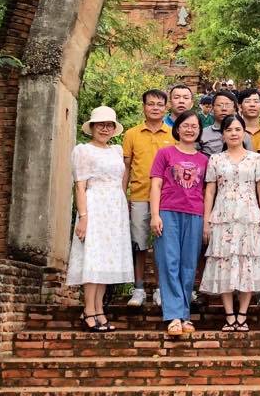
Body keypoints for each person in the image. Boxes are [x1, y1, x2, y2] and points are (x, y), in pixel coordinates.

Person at [67, 106, 134, 331]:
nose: (105, 129)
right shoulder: (83, 150)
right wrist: (83, 217)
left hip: (115, 208)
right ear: (92, 127)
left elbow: (122, 182)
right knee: (93, 258)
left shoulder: (116, 150)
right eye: (100, 124)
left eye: (109, 125)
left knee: (106, 260)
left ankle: (99, 309)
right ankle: (89, 310)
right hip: (94, 205)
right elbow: (80, 186)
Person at [201, 114, 260, 331]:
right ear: (223, 134)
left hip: (249, 217)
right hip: (222, 217)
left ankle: (243, 315)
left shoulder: (256, 159)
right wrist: (206, 220)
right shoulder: (215, 159)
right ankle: (229, 315)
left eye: (237, 129)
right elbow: (210, 190)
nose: (233, 133)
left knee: (248, 263)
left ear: (244, 133)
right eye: (229, 130)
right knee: (224, 263)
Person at [149, 109, 208, 337]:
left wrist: (207, 221)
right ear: (177, 128)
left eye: (194, 126)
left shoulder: (204, 160)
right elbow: (156, 185)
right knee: (169, 262)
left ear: (199, 130)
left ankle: (184, 315)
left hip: (195, 214)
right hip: (168, 212)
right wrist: (155, 215)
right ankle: (173, 315)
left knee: (188, 266)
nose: (190, 129)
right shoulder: (165, 153)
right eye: (186, 125)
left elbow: (207, 191)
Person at [120, 89, 174, 308]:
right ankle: (139, 288)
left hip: (167, 199)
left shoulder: (172, 134)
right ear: (144, 106)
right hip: (140, 195)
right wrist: (122, 195)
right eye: (150, 104)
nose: (155, 108)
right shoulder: (132, 134)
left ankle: (162, 289)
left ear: (165, 108)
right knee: (139, 244)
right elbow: (125, 167)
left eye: (159, 104)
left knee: (164, 245)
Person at [197, 90, 253, 156]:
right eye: (219, 105)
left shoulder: (243, 135)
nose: (224, 109)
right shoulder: (202, 134)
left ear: (235, 109)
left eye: (228, 105)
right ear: (212, 109)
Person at [237, 87, 260, 151]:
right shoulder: (235, 133)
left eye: (256, 101)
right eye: (247, 101)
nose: (252, 105)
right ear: (240, 107)